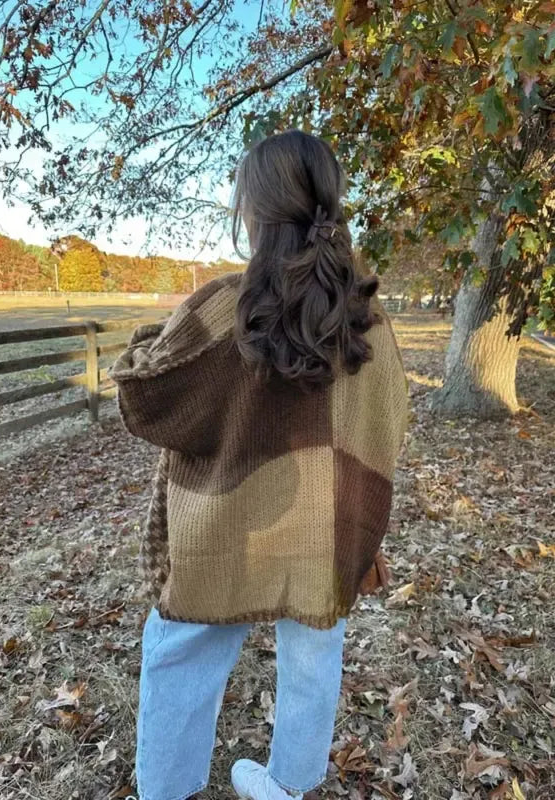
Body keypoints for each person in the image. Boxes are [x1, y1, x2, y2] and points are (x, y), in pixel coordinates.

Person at [110, 130, 408, 800]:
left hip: (225, 526)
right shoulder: (368, 317)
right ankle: (288, 785)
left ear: (254, 208)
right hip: (326, 524)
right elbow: (386, 426)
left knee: (183, 651)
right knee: (314, 652)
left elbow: (145, 398)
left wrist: (151, 336)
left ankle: (167, 788)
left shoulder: (226, 305)